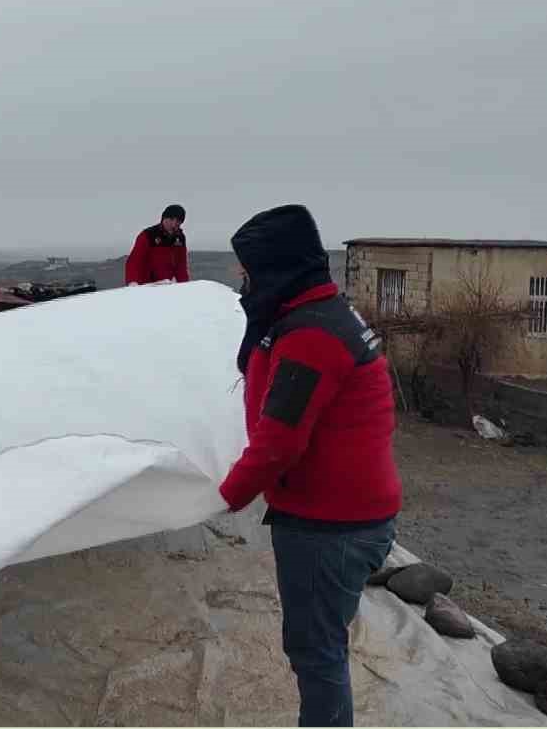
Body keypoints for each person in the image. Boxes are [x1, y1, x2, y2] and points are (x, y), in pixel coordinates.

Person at [219, 204, 401, 727]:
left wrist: (224, 494)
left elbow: (279, 442)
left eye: (248, 270)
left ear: (275, 267)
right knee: (320, 648)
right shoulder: (316, 315)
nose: (242, 280)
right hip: (342, 516)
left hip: (331, 529)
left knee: (317, 656)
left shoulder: (312, 336)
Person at [125, 204, 190, 285]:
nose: (174, 224)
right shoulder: (148, 235)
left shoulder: (180, 238)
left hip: (167, 286)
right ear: (164, 218)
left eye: (178, 221)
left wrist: (185, 286)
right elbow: (134, 261)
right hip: (147, 286)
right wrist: (132, 282)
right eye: (171, 219)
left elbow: (181, 266)